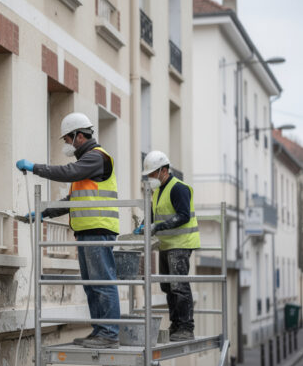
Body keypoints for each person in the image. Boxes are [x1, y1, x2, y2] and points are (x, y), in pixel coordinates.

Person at [16, 112, 120, 349]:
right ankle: (100, 331)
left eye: (67, 139)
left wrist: (35, 168)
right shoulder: (87, 163)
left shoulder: (96, 158)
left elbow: (67, 172)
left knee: (102, 282)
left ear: (79, 136)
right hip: (87, 231)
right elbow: (73, 200)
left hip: (98, 229)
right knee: (92, 284)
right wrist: (45, 213)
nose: (66, 144)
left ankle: (109, 333)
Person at [136, 150, 201, 341]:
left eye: (153, 173)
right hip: (166, 245)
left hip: (180, 244)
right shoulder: (158, 193)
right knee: (167, 286)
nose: (150, 178)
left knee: (179, 285)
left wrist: (158, 226)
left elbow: (183, 216)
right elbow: (153, 215)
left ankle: (186, 328)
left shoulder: (179, 188)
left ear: (164, 170)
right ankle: (176, 325)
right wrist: (143, 226)